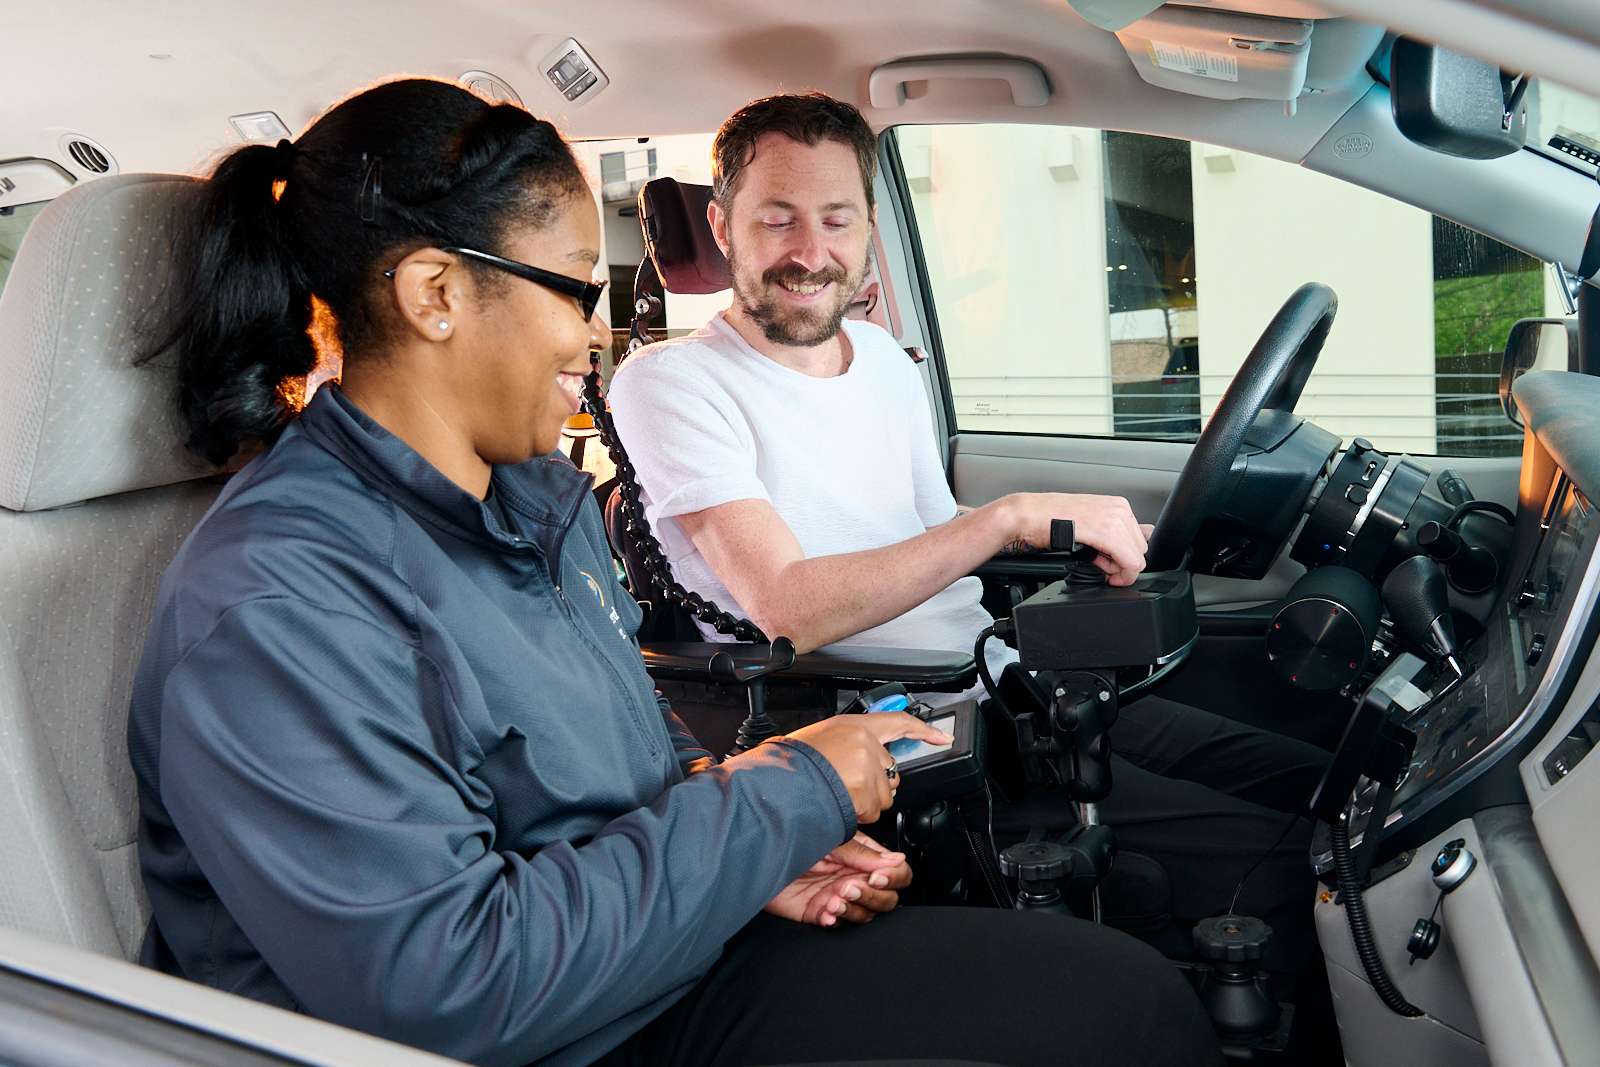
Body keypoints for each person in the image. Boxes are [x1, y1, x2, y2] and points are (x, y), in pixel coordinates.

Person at [126, 78, 1218, 1067]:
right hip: (561, 1032)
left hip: (646, 964)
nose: (588, 343)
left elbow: (624, 763)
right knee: (1115, 1018)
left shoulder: (528, 503)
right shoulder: (277, 601)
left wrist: (755, 849)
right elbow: (451, 983)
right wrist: (786, 796)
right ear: (434, 294)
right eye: (571, 291)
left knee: (1122, 996)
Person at [606, 92, 1330, 977]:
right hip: (880, 726)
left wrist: (1058, 528)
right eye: (777, 219)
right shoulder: (671, 383)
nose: (810, 253)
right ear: (722, 225)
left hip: (1000, 682)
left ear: (869, 224)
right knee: (1292, 864)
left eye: (835, 219)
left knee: (1320, 782)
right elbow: (788, 605)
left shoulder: (880, 361)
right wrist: (1004, 518)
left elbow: (928, 530)